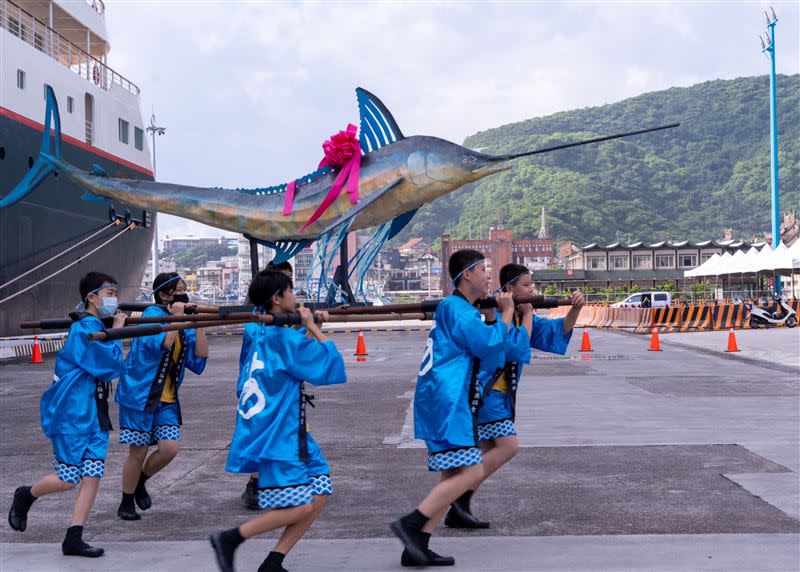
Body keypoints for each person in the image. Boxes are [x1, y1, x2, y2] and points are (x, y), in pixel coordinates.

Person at [210, 269, 346, 572]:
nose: (295, 297)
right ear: (276, 298)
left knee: (320, 489)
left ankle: (274, 560)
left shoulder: (261, 330)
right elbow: (329, 367)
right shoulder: (283, 336)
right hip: (279, 433)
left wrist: (309, 325)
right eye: (291, 290)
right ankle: (231, 538)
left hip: (287, 429)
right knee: (301, 504)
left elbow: (293, 351)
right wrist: (313, 326)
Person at [391, 249, 514, 567]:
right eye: (484, 270)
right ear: (467, 274)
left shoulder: (457, 309)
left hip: (443, 398)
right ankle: (411, 523)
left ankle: (416, 545)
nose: (489, 276)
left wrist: (491, 319)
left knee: (453, 473)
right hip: (448, 401)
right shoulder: (457, 309)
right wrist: (507, 314)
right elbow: (489, 348)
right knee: (471, 471)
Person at [445, 263, 584, 528]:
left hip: (500, 394)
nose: (530, 291)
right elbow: (516, 349)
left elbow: (557, 331)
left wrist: (575, 308)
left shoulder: (517, 313)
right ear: (510, 288)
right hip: (487, 392)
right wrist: (528, 314)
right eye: (526, 286)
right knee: (508, 447)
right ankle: (455, 495)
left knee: (486, 451)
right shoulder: (495, 313)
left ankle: (459, 507)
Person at [7, 272, 126, 557]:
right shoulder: (83, 329)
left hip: (95, 414)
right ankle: (27, 494)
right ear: (92, 297)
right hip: (73, 414)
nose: (114, 300)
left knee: (93, 474)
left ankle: (74, 535)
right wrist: (119, 330)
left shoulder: (96, 326)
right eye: (110, 294)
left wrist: (112, 329)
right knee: (68, 479)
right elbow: (109, 365)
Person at [115, 272, 208, 521]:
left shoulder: (180, 319)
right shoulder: (151, 317)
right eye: (178, 289)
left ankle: (140, 482)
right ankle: (126, 501)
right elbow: (165, 343)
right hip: (140, 394)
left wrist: (198, 324)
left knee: (169, 448)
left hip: (166, 397)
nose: (182, 293)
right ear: (164, 293)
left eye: (183, 289)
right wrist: (178, 317)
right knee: (139, 451)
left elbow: (199, 360)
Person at [241, 259, 294, 509]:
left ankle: (276, 481)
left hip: (280, 386)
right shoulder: (257, 321)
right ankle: (255, 482)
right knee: (261, 433)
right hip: (258, 386)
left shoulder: (288, 315)